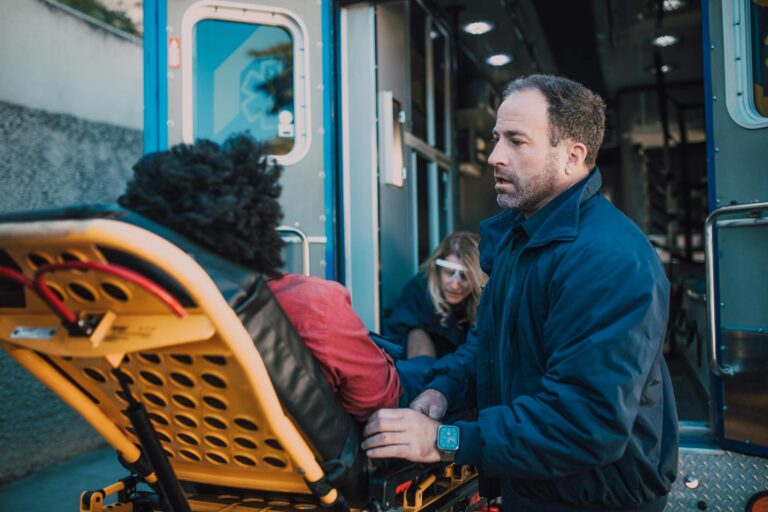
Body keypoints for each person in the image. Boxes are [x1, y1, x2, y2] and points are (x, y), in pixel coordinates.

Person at [362, 74, 678, 511]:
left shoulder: (609, 260)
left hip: (595, 499)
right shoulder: (521, 240)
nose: (494, 156)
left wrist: (445, 439)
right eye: (496, 139)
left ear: (572, 156)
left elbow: (585, 422)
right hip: (535, 484)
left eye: (516, 141)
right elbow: (490, 345)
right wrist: (444, 390)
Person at [118, 134, 426, 422]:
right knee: (435, 374)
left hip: (193, 456)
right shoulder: (312, 305)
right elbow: (378, 402)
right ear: (257, 220)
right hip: (330, 453)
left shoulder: (138, 319)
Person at [385, 232, 486, 359]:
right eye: (449, 273)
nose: (455, 285)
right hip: (427, 371)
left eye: (465, 277)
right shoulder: (418, 291)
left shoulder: (484, 298)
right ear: (437, 270)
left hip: (463, 369)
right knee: (416, 334)